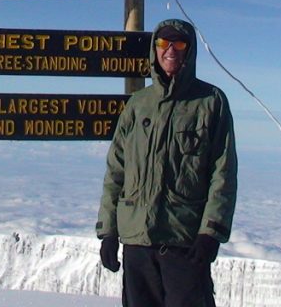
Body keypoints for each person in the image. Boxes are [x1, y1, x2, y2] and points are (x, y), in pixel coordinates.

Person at [96, 18, 238, 307]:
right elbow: (116, 171)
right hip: (137, 242)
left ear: (189, 50)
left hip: (184, 243)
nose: (170, 50)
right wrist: (108, 232)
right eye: (163, 43)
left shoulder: (210, 102)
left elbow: (222, 172)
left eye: (178, 43)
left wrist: (211, 232)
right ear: (154, 49)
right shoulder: (138, 104)